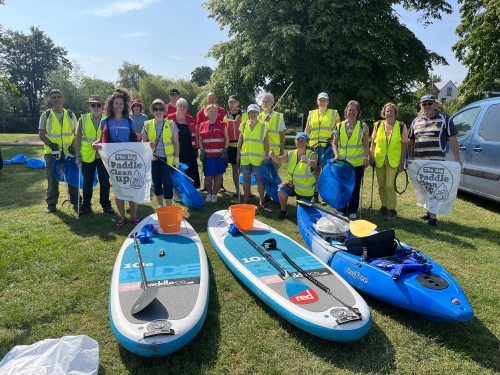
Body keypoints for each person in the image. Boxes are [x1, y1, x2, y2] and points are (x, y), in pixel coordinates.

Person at [408, 94, 462, 228]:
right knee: (424, 188)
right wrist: (411, 157)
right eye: (424, 104)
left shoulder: (444, 118)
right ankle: (428, 212)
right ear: (420, 106)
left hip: (436, 162)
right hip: (420, 162)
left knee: (434, 189)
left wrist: (456, 158)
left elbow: (453, 138)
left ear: (434, 104)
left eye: (429, 103)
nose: (427, 106)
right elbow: (411, 141)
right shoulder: (416, 121)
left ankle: (433, 218)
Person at [92, 88, 141, 227]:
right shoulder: (105, 122)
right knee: (118, 188)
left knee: (131, 187)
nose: (119, 106)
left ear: (124, 106)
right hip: (113, 160)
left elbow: (136, 139)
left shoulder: (129, 121)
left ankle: (134, 216)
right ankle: (122, 216)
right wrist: (95, 144)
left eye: (121, 104)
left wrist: (146, 145)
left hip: (128, 159)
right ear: (111, 105)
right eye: (116, 103)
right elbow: (101, 139)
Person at [38, 89, 79, 213]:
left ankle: (76, 201)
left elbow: (76, 134)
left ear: (63, 99)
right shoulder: (46, 115)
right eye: (54, 97)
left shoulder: (71, 115)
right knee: (52, 178)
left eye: (59, 97)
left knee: (72, 177)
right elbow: (41, 135)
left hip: (68, 153)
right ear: (50, 100)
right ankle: (51, 204)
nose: (57, 99)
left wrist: (72, 148)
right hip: (51, 153)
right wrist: (52, 146)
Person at [74, 95, 114, 215]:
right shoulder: (83, 119)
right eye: (93, 105)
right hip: (87, 155)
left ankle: (106, 204)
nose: (96, 107)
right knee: (87, 182)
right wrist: (78, 155)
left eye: (98, 105)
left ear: (102, 106)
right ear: (89, 106)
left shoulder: (108, 119)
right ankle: (86, 205)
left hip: (103, 156)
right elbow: (77, 138)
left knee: (105, 181)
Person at [369, 103, 408, 221]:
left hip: (394, 160)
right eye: (387, 111)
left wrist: (402, 163)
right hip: (379, 160)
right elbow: (373, 143)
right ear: (384, 113)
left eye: (391, 111)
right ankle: (384, 207)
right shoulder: (378, 125)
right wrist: (371, 157)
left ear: (395, 113)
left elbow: (405, 145)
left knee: (389, 185)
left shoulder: (401, 126)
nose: (389, 113)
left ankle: (392, 210)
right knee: (381, 186)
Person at [332, 100, 370, 219]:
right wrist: (336, 154)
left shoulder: (363, 126)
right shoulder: (338, 126)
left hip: (357, 164)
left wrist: (366, 158)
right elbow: (334, 144)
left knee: (355, 187)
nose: (351, 112)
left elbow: (366, 144)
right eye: (349, 110)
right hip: (343, 164)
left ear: (358, 112)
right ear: (346, 111)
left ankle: (353, 209)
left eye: (354, 110)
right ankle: (342, 208)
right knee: (342, 186)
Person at [269, 132, 317, 220]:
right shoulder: (291, 153)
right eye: (298, 140)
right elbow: (279, 160)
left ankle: (309, 201)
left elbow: (314, 164)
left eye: (303, 140)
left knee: (302, 214)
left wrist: (308, 161)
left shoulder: (311, 154)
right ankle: (283, 211)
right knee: (281, 189)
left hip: (305, 190)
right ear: (295, 142)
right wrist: (273, 156)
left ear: (307, 142)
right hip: (291, 185)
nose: (300, 142)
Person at [142, 99, 180, 207]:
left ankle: (169, 206)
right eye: (155, 109)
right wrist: (148, 145)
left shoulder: (171, 124)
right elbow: (143, 143)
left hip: (167, 160)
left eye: (160, 109)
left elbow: (176, 142)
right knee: (157, 182)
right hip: (153, 159)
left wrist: (176, 159)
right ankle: (160, 205)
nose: (158, 111)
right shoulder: (147, 124)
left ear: (164, 111)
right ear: (153, 111)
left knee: (167, 182)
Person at [305, 92, 340, 205]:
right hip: (314, 146)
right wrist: (306, 142)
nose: (322, 102)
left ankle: (325, 196)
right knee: (315, 171)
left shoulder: (334, 113)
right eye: (321, 100)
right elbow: (307, 130)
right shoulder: (311, 114)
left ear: (328, 102)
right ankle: (315, 195)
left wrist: (335, 139)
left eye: (325, 100)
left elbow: (338, 128)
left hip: (327, 147)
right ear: (317, 101)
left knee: (326, 171)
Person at [237, 104, 270, 207]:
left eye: (255, 112)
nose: (253, 114)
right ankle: (246, 199)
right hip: (246, 157)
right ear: (248, 113)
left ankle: (261, 200)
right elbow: (240, 142)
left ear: (258, 113)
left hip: (258, 158)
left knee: (259, 179)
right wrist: (238, 155)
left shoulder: (264, 126)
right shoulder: (243, 125)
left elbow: (266, 143)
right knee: (246, 178)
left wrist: (266, 156)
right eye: (251, 112)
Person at [196, 92, 228, 192]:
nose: (211, 100)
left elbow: (226, 136)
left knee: (219, 173)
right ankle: (208, 189)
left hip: (219, 153)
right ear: (207, 100)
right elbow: (199, 132)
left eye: (213, 98)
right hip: (207, 153)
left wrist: (225, 149)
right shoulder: (201, 116)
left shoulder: (222, 116)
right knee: (208, 174)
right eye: (209, 98)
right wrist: (201, 149)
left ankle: (218, 188)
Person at [167, 97, 201, 190]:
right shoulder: (170, 118)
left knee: (190, 169)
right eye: (180, 105)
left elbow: (195, 134)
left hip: (189, 149)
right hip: (176, 149)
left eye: (184, 106)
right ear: (177, 106)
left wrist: (196, 148)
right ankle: (176, 190)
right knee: (177, 169)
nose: (182, 107)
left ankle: (191, 188)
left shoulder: (190, 118)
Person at [258, 92, 286, 202]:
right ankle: (266, 194)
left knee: (273, 173)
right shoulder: (259, 116)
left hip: (274, 151)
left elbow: (282, 134)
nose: (265, 103)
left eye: (267, 101)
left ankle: (273, 194)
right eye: (263, 101)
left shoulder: (278, 116)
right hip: (261, 151)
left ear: (272, 103)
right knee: (263, 173)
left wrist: (282, 150)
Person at [223, 95, 251, 198]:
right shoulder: (226, 117)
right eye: (230, 102)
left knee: (246, 169)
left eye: (234, 102)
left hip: (243, 145)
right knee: (235, 168)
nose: (232, 104)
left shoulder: (244, 115)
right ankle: (237, 190)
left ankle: (249, 192)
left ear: (238, 103)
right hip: (231, 146)